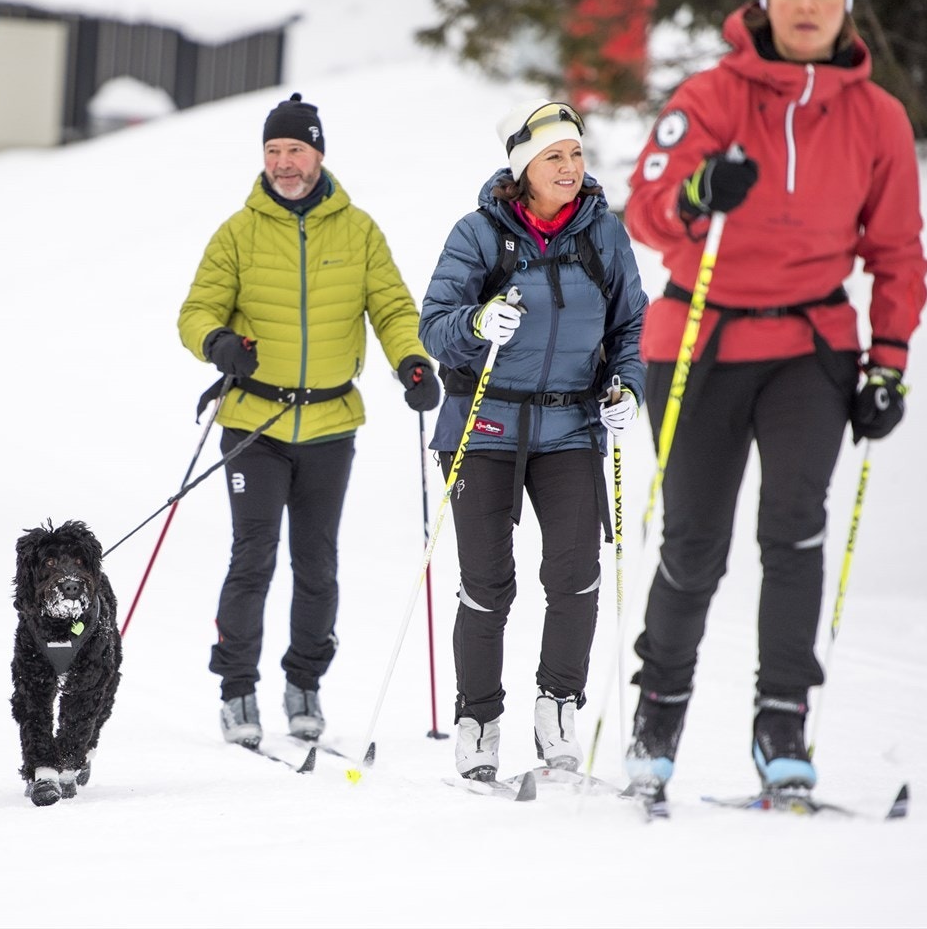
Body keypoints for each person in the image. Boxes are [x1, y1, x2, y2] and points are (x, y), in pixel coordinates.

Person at [621, 0, 927, 798]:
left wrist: (889, 363)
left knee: (794, 535)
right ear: (764, 3)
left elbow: (896, 249)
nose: (806, 5)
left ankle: (781, 722)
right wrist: (697, 191)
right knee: (694, 542)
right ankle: (658, 713)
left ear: (846, 9)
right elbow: (642, 208)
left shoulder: (877, 117)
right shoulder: (714, 96)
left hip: (809, 348)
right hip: (701, 341)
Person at [177, 93, 440, 747]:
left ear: (318, 153)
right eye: (272, 151)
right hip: (254, 423)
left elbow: (392, 307)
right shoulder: (238, 231)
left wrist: (411, 362)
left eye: (295, 150)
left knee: (317, 563)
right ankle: (237, 689)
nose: (283, 163)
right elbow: (195, 311)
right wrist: (219, 344)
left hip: (329, 424)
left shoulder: (359, 231)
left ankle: (304, 684)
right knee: (253, 557)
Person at [419, 100, 649, 781]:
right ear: (524, 168)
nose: (571, 168)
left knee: (576, 576)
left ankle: (557, 708)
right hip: (484, 424)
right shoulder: (480, 234)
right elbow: (436, 322)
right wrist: (477, 320)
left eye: (577, 154)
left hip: (572, 426)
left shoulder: (604, 234)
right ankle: (479, 719)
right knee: (488, 583)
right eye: (555, 157)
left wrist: (627, 389)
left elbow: (632, 325)